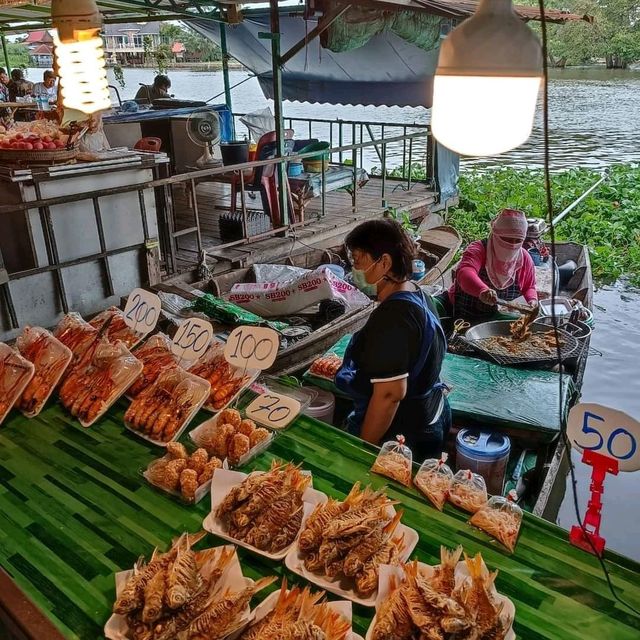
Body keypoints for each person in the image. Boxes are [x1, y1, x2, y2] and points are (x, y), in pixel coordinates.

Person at [335, 219, 451, 461]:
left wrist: (363, 449)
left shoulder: (394, 318)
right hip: (430, 415)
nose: (353, 269)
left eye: (358, 260)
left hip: (404, 434)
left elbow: (389, 395)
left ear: (384, 263)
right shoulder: (417, 293)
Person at [440, 208, 537, 320]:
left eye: (518, 241)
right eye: (507, 239)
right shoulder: (478, 249)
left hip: (497, 318)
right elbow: (465, 272)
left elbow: (529, 287)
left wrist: (532, 300)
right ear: (495, 234)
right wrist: (482, 290)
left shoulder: (524, 259)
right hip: (464, 315)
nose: (512, 245)